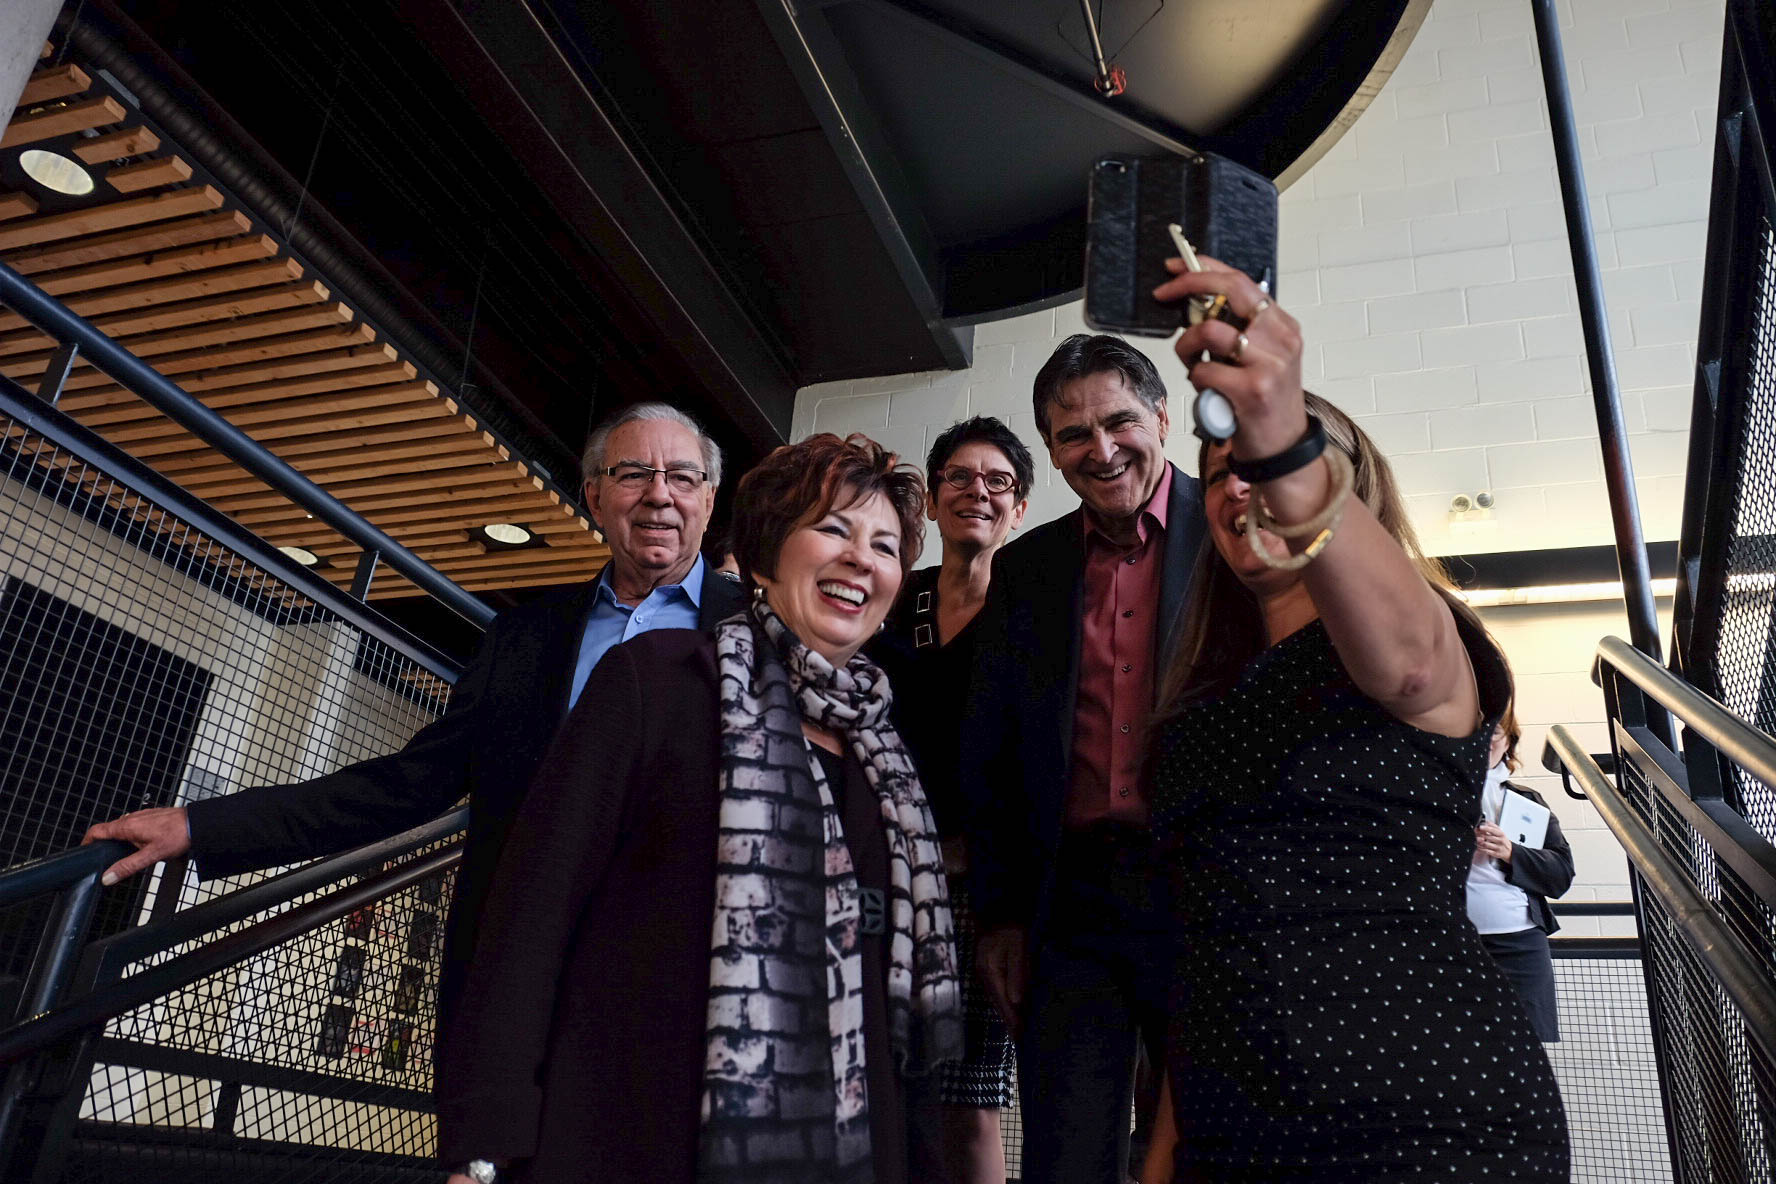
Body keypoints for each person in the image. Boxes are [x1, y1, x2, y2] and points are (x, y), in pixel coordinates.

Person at [82, 402, 746, 1028]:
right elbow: (408, 784)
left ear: (708, 500)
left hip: (690, 983)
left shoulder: (757, 638)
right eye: (633, 474)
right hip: (519, 981)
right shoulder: (525, 638)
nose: (660, 494)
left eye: (684, 477)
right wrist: (205, 823)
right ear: (596, 496)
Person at [1138, 253, 1569, 1181]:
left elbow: (1407, 662)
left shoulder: (1427, 644)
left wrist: (1281, 434)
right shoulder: (1200, 701)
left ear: (1346, 484)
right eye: (1219, 471)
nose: (1241, 483)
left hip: (1425, 1109)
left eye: (1268, 461)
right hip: (1233, 1120)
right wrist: (1165, 1148)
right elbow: (1208, 930)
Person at [435, 433, 961, 1184]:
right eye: (835, 529)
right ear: (768, 551)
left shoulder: (889, 760)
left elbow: (896, 1016)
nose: (861, 559)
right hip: (630, 1132)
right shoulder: (660, 681)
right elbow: (534, 910)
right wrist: (484, 1141)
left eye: (884, 546)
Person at [962, 336, 1205, 1184]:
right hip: (1070, 907)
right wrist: (1000, 918)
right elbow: (992, 752)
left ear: (1163, 420)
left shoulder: (1233, 538)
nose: (1100, 450)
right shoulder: (1026, 569)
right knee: (1066, 1154)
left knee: (1207, 1145)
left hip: (1206, 897)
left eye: (1119, 422)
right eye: (1073, 435)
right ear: (1053, 451)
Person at [871, 416, 1031, 1184]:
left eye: (997, 481)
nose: (978, 492)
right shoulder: (894, 599)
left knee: (970, 1105)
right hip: (882, 875)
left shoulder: (1032, 611)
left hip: (978, 890)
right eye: (959, 478)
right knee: (878, 1083)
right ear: (932, 503)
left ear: (1019, 507)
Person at [1469, 701, 1574, 1043]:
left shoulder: (1527, 801)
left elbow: (1560, 874)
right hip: (1452, 943)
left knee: (1522, 1056)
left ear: (1509, 742)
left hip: (1520, 945)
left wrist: (1512, 852)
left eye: (1494, 734)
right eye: (1473, 734)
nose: (1484, 742)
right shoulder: (1435, 798)